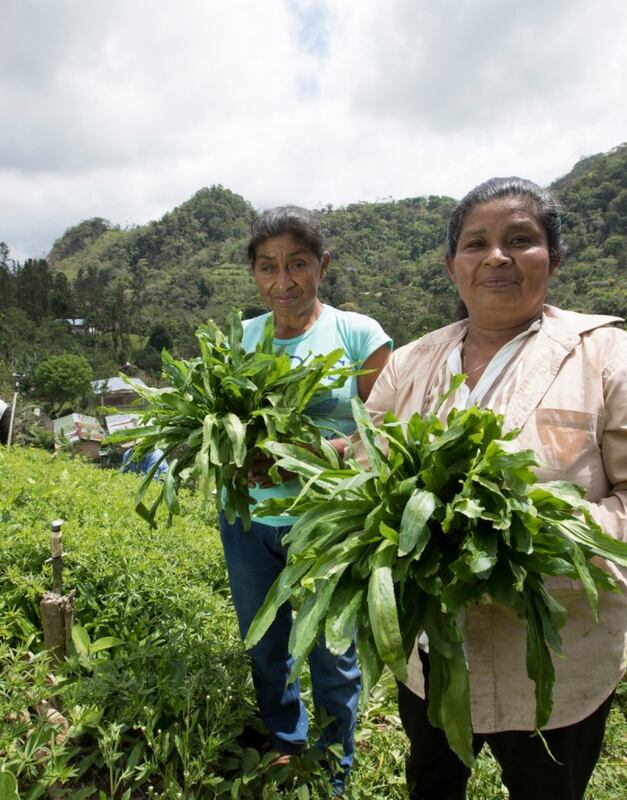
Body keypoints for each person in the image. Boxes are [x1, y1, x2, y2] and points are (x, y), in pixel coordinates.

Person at [364, 177, 627, 799]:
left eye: (520, 240)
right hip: (434, 654)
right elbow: (372, 466)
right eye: (476, 243)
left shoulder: (608, 356)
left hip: (559, 660)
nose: (496, 256)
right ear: (452, 265)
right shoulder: (411, 361)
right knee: (433, 780)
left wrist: (532, 541)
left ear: (552, 258)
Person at [221, 206, 392, 790]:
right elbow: (226, 422)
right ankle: (288, 742)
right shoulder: (246, 337)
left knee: (332, 654)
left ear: (323, 264)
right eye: (267, 268)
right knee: (266, 644)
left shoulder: (359, 335)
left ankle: (335, 762)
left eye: (297, 264)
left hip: (328, 525)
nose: (282, 282)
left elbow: (387, 432)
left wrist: (308, 453)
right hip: (249, 521)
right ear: (253, 274)